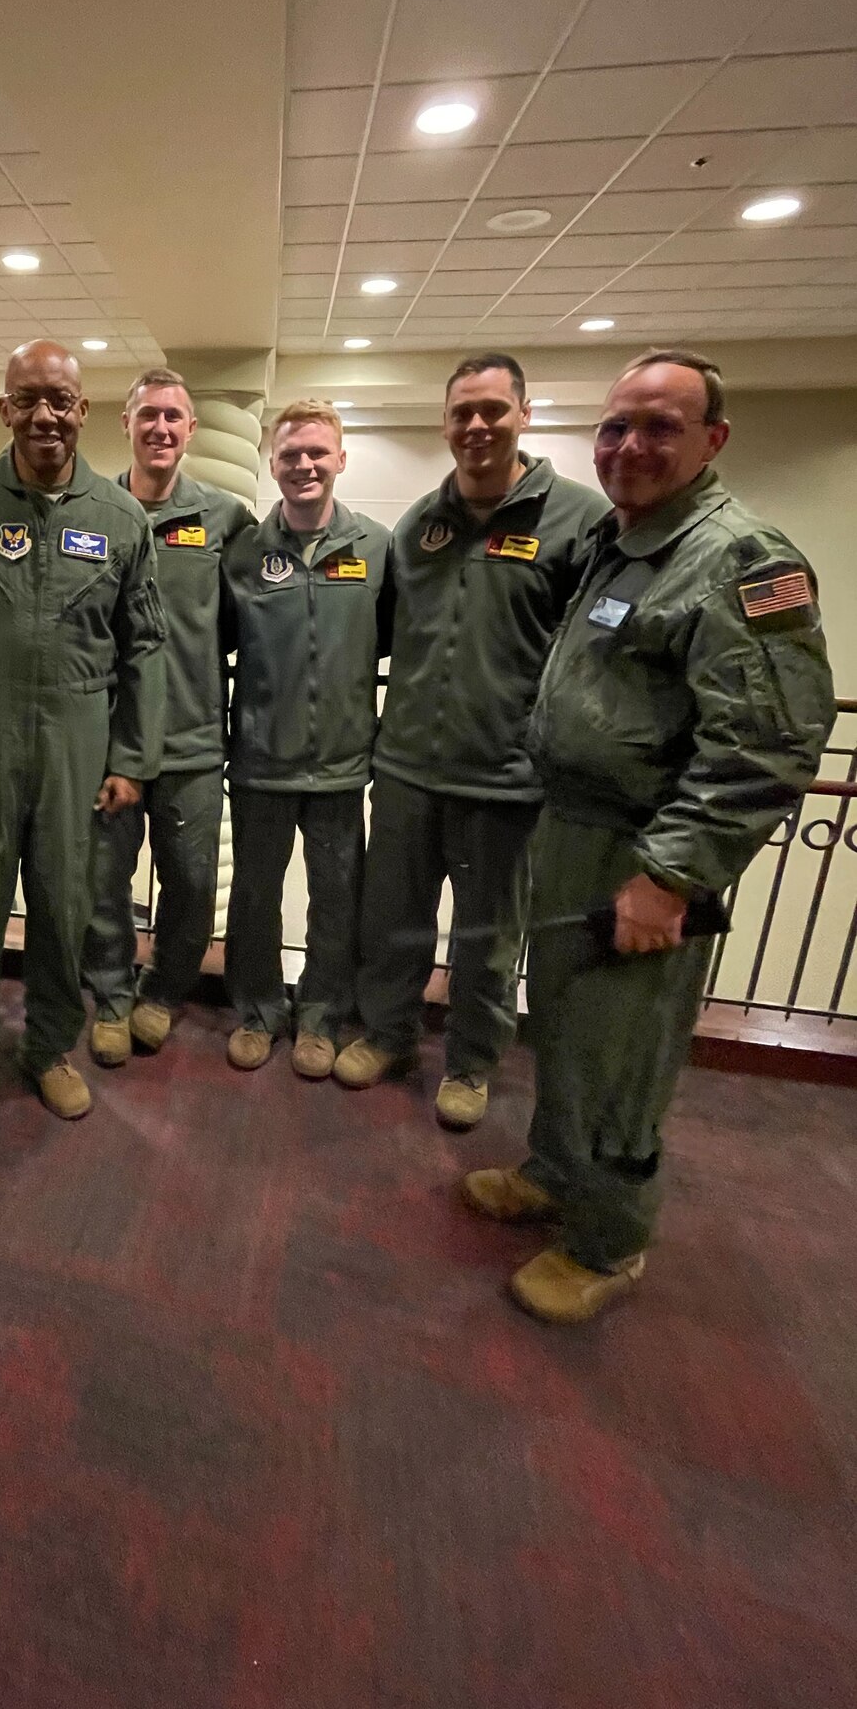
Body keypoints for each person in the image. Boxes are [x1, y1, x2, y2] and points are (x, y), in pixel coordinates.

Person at [462, 351, 836, 1323]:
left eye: (660, 426)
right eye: (617, 426)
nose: (631, 445)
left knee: (625, 1056)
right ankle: (553, 1171)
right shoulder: (622, 545)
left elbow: (770, 743)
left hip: (645, 850)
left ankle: (608, 1240)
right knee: (566, 1026)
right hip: (574, 828)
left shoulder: (742, 560)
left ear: (712, 438)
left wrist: (671, 876)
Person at [0, 339, 166, 1172]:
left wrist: (131, 756)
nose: (44, 414)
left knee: (64, 905)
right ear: (4, 409)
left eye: (60, 399)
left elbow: (145, 647)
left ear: (84, 411)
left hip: (77, 736)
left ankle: (50, 1050)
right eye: (27, 398)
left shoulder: (121, 519)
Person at [337, 355, 608, 1127]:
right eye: (463, 412)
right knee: (392, 918)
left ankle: (472, 1062)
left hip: (506, 776)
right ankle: (387, 1034)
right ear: (446, 422)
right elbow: (382, 632)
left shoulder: (576, 521)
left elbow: (590, 653)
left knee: (487, 938)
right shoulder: (418, 523)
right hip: (406, 768)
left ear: (524, 413)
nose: (477, 426)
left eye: (493, 410)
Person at [81, 369, 252, 1066]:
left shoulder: (226, 517)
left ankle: (162, 992)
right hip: (107, 742)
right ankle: (113, 997)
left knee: (190, 881)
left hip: (191, 739)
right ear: (126, 423)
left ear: (191, 430)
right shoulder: (87, 511)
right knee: (101, 883)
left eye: (174, 417)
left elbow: (240, 621)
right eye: (148, 414)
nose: (161, 428)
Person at [219, 400, 390, 1078]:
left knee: (336, 900)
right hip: (262, 763)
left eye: (318, 452)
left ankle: (320, 1018)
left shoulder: (378, 548)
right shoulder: (243, 554)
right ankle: (258, 1012)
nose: (305, 465)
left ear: (341, 459)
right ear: (273, 464)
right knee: (255, 900)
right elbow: (221, 644)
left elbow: (392, 637)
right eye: (291, 454)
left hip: (343, 768)